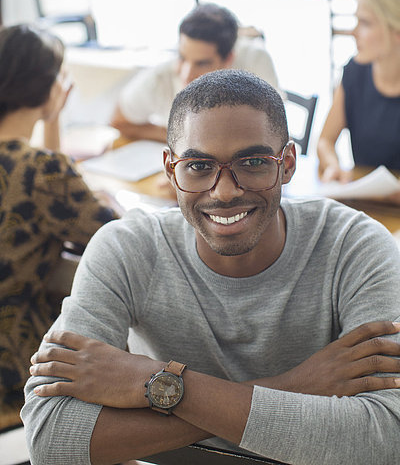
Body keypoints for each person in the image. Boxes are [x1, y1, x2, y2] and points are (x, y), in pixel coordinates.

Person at [22, 70, 400, 465]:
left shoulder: (355, 246)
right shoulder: (126, 248)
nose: (224, 191)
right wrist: (291, 387)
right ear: (171, 170)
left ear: (287, 164)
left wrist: (157, 384)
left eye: (253, 162)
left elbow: (387, 440)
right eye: (198, 166)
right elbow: (51, 438)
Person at [0, 24, 120, 416]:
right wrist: (111, 200)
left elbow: (41, 185)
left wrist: (50, 121)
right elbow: (116, 235)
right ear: (50, 88)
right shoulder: (43, 172)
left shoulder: (39, 170)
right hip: (14, 359)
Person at [111, 3, 280, 142]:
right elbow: (119, 121)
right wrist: (181, 141)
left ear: (228, 59)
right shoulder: (160, 77)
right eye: (182, 57)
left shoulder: (255, 60)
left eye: (201, 63)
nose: (186, 74)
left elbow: (274, 130)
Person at [317, 0, 400, 184]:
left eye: (365, 23)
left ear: (396, 32)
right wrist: (333, 165)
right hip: (366, 203)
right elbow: (325, 141)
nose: (353, 33)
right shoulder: (354, 72)